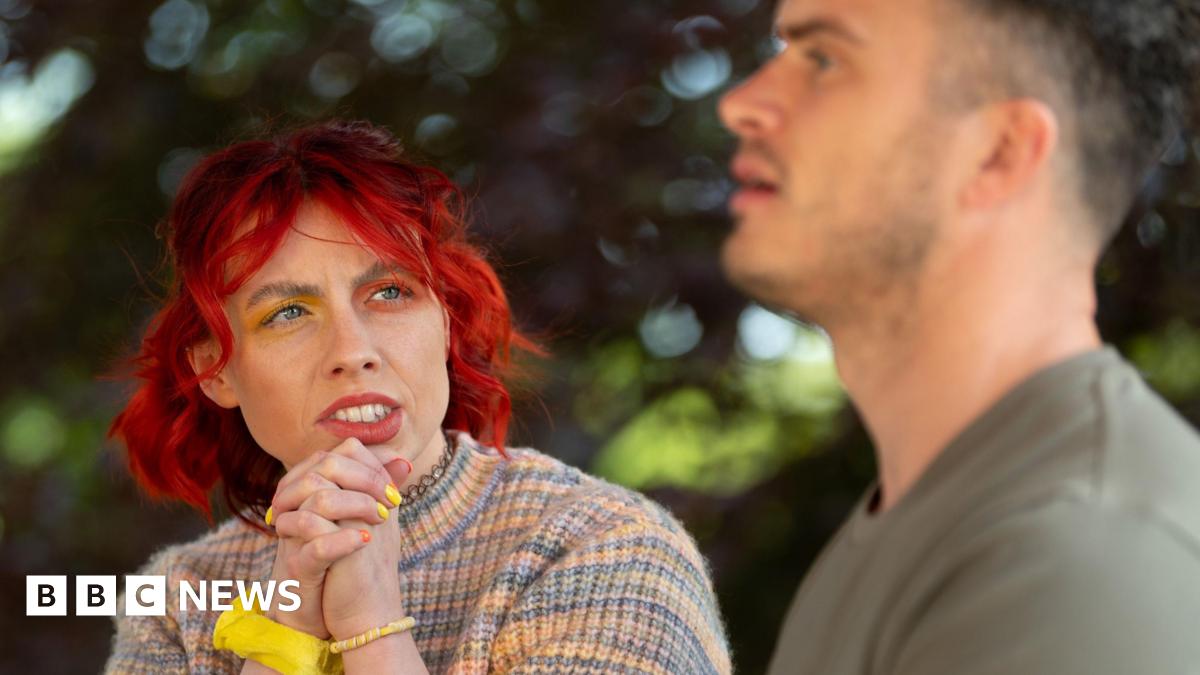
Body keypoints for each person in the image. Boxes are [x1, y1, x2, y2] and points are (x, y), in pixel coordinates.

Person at [103, 120, 731, 674]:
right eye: (289, 311)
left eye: (390, 293)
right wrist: (287, 626)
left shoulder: (605, 547)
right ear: (217, 370)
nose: (353, 349)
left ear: (446, 319)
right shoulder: (179, 597)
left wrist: (370, 625)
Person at [718, 0, 1200, 673]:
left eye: (824, 59)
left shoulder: (1077, 561)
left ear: (998, 153)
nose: (741, 103)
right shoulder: (922, 527)